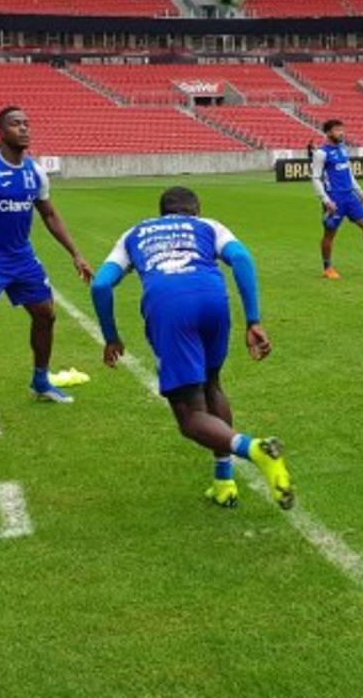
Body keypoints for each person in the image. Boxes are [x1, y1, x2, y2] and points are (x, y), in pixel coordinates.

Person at [90, 186, 294, 510]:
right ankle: (224, 482)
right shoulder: (208, 226)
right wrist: (253, 320)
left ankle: (255, 450)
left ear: (162, 213)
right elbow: (241, 258)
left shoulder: (135, 233)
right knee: (213, 383)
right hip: (213, 300)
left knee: (189, 416)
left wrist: (111, 336)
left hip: (170, 308)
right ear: (195, 210)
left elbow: (100, 284)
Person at [0, 106, 93, 430]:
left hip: (23, 258)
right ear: (0, 132)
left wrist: (76, 254)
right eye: (15, 124)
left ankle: (40, 380)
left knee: (46, 314)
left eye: (26, 123)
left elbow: (49, 215)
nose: (24, 128)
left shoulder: (35, 173)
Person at [312, 119, 363, 278]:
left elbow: (349, 173)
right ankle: (327, 268)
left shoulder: (343, 149)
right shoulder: (321, 153)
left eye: (342, 129)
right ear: (328, 133)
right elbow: (315, 178)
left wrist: (359, 190)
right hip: (334, 199)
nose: (341, 132)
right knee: (330, 234)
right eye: (337, 130)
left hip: (350, 197)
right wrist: (326, 200)